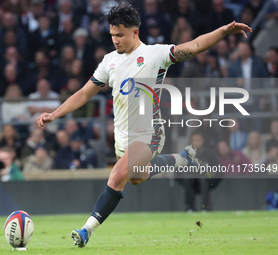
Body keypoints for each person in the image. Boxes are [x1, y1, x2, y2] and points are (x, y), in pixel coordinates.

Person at [36, 4, 252, 247]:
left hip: (149, 132)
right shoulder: (109, 61)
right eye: (112, 35)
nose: (115, 40)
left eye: (120, 35)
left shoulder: (155, 55)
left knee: (117, 176)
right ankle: (183, 158)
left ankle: (87, 230)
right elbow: (85, 93)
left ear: (135, 32)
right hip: (123, 135)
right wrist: (56, 113)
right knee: (136, 178)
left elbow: (194, 46)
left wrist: (223, 30)